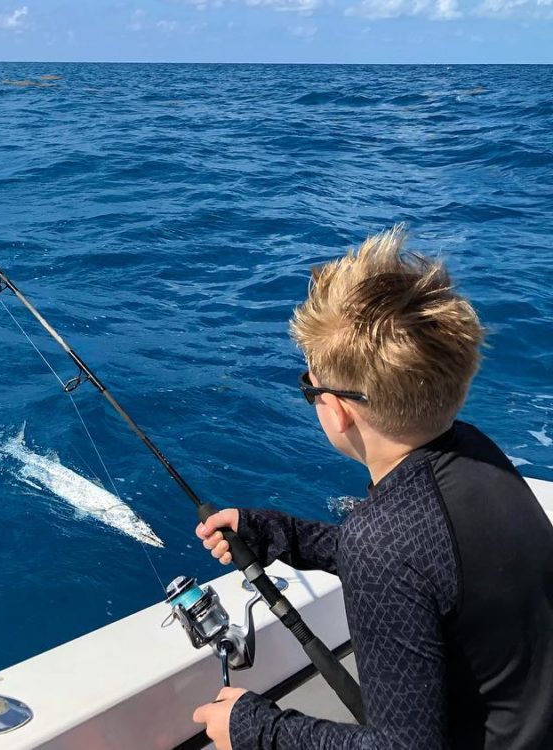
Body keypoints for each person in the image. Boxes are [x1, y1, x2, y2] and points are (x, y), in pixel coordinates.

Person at [191, 226, 553, 749]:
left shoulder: (385, 540)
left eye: (307, 386)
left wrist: (254, 727)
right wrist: (280, 535)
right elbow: (435, 567)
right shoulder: (473, 449)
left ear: (336, 411)